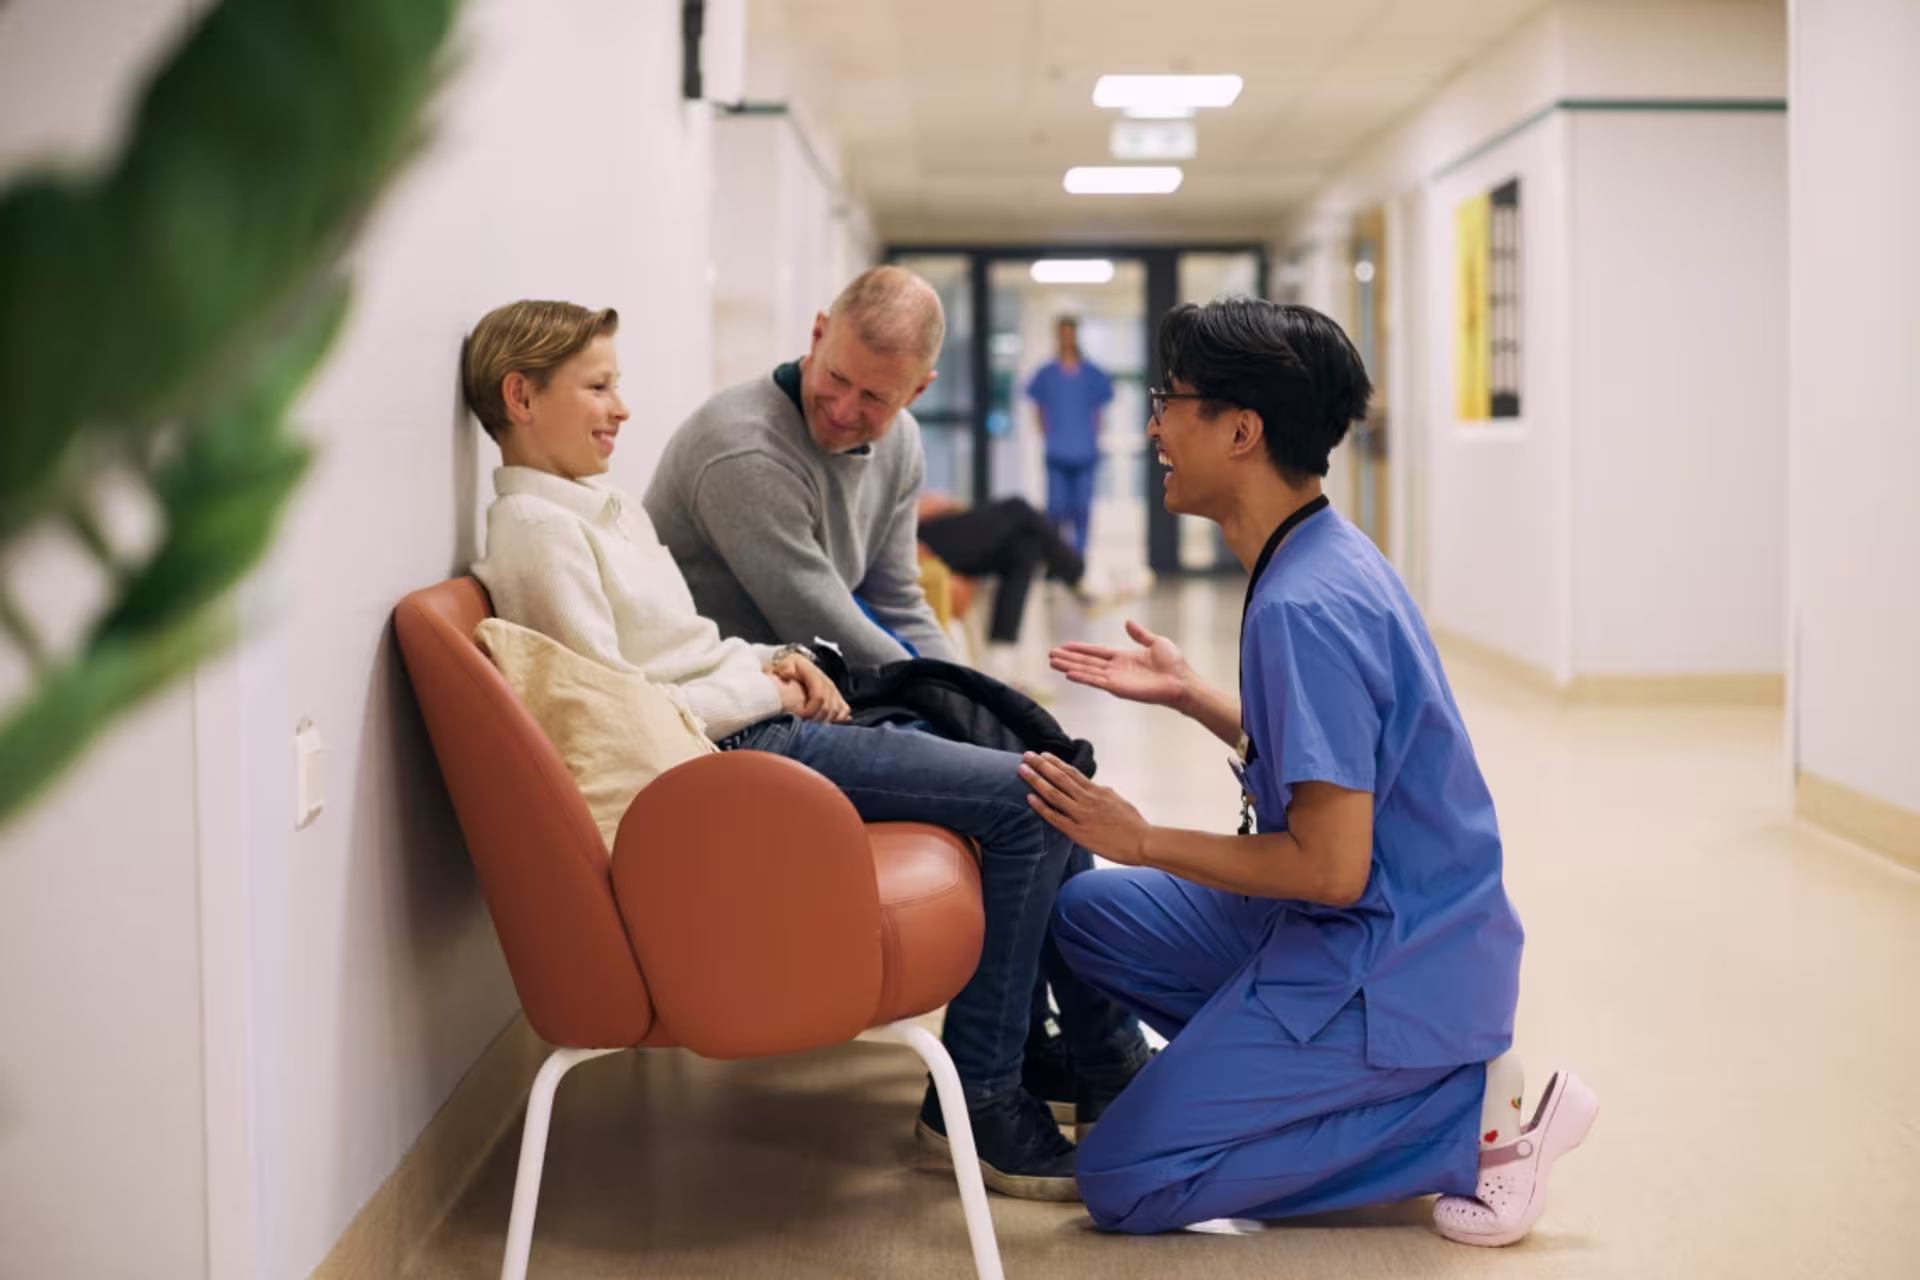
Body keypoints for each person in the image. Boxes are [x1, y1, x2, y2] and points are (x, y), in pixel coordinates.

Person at [460, 299, 1150, 1200]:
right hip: (739, 752)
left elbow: (695, 644)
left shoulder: (596, 508)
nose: (623, 407)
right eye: (599, 386)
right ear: (520, 396)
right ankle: (983, 1097)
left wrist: (781, 663)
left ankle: (1096, 1059)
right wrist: (773, 681)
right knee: (1031, 795)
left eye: (616, 384)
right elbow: (625, 709)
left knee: (1038, 772)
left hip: (764, 710)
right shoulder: (541, 533)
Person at [1016, 297, 1596, 1242]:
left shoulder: (1303, 607)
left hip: (1387, 966)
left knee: (1125, 1177)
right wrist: (1195, 696)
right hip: (1359, 928)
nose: (1153, 425)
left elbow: (1332, 868)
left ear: (1240, 430)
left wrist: (1142, 838)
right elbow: (1344, 764)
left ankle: (1460, 1118)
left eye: (1171, 401)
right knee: (1086, 915)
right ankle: (1276, 1078)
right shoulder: (1320, 554)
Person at [645, 266, 954, 670]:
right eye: (837, 376)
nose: (844, 409)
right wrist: (958, 702)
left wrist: (985, 701)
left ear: (918, 391)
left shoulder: (902, 442)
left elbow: (896, 599)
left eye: (875, 398)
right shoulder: (744, 450)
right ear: (818, 334)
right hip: (722, 689)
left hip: (806, 678)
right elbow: (821, 626)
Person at [918, 493, 1095, 676]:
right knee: (1018, 508)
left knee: (1025, 547)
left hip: (929, 527)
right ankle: (1079, 579)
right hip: (919, 537)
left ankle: (1000, 659)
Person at [1025, 316, 1113, 558]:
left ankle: (1078, 561)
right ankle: (1056, 560)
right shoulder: (1046, 373)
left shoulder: (1092, 373)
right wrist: (1049, 435)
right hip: (1057, 452)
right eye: (1061, 333)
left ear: (1075, 335)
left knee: (1082, 509)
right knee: (1056, 509)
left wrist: (1091, 437)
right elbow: (1039, 408)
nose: (1066, 338)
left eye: (1069, 333)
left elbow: (1099, 412)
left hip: (1085, 452)